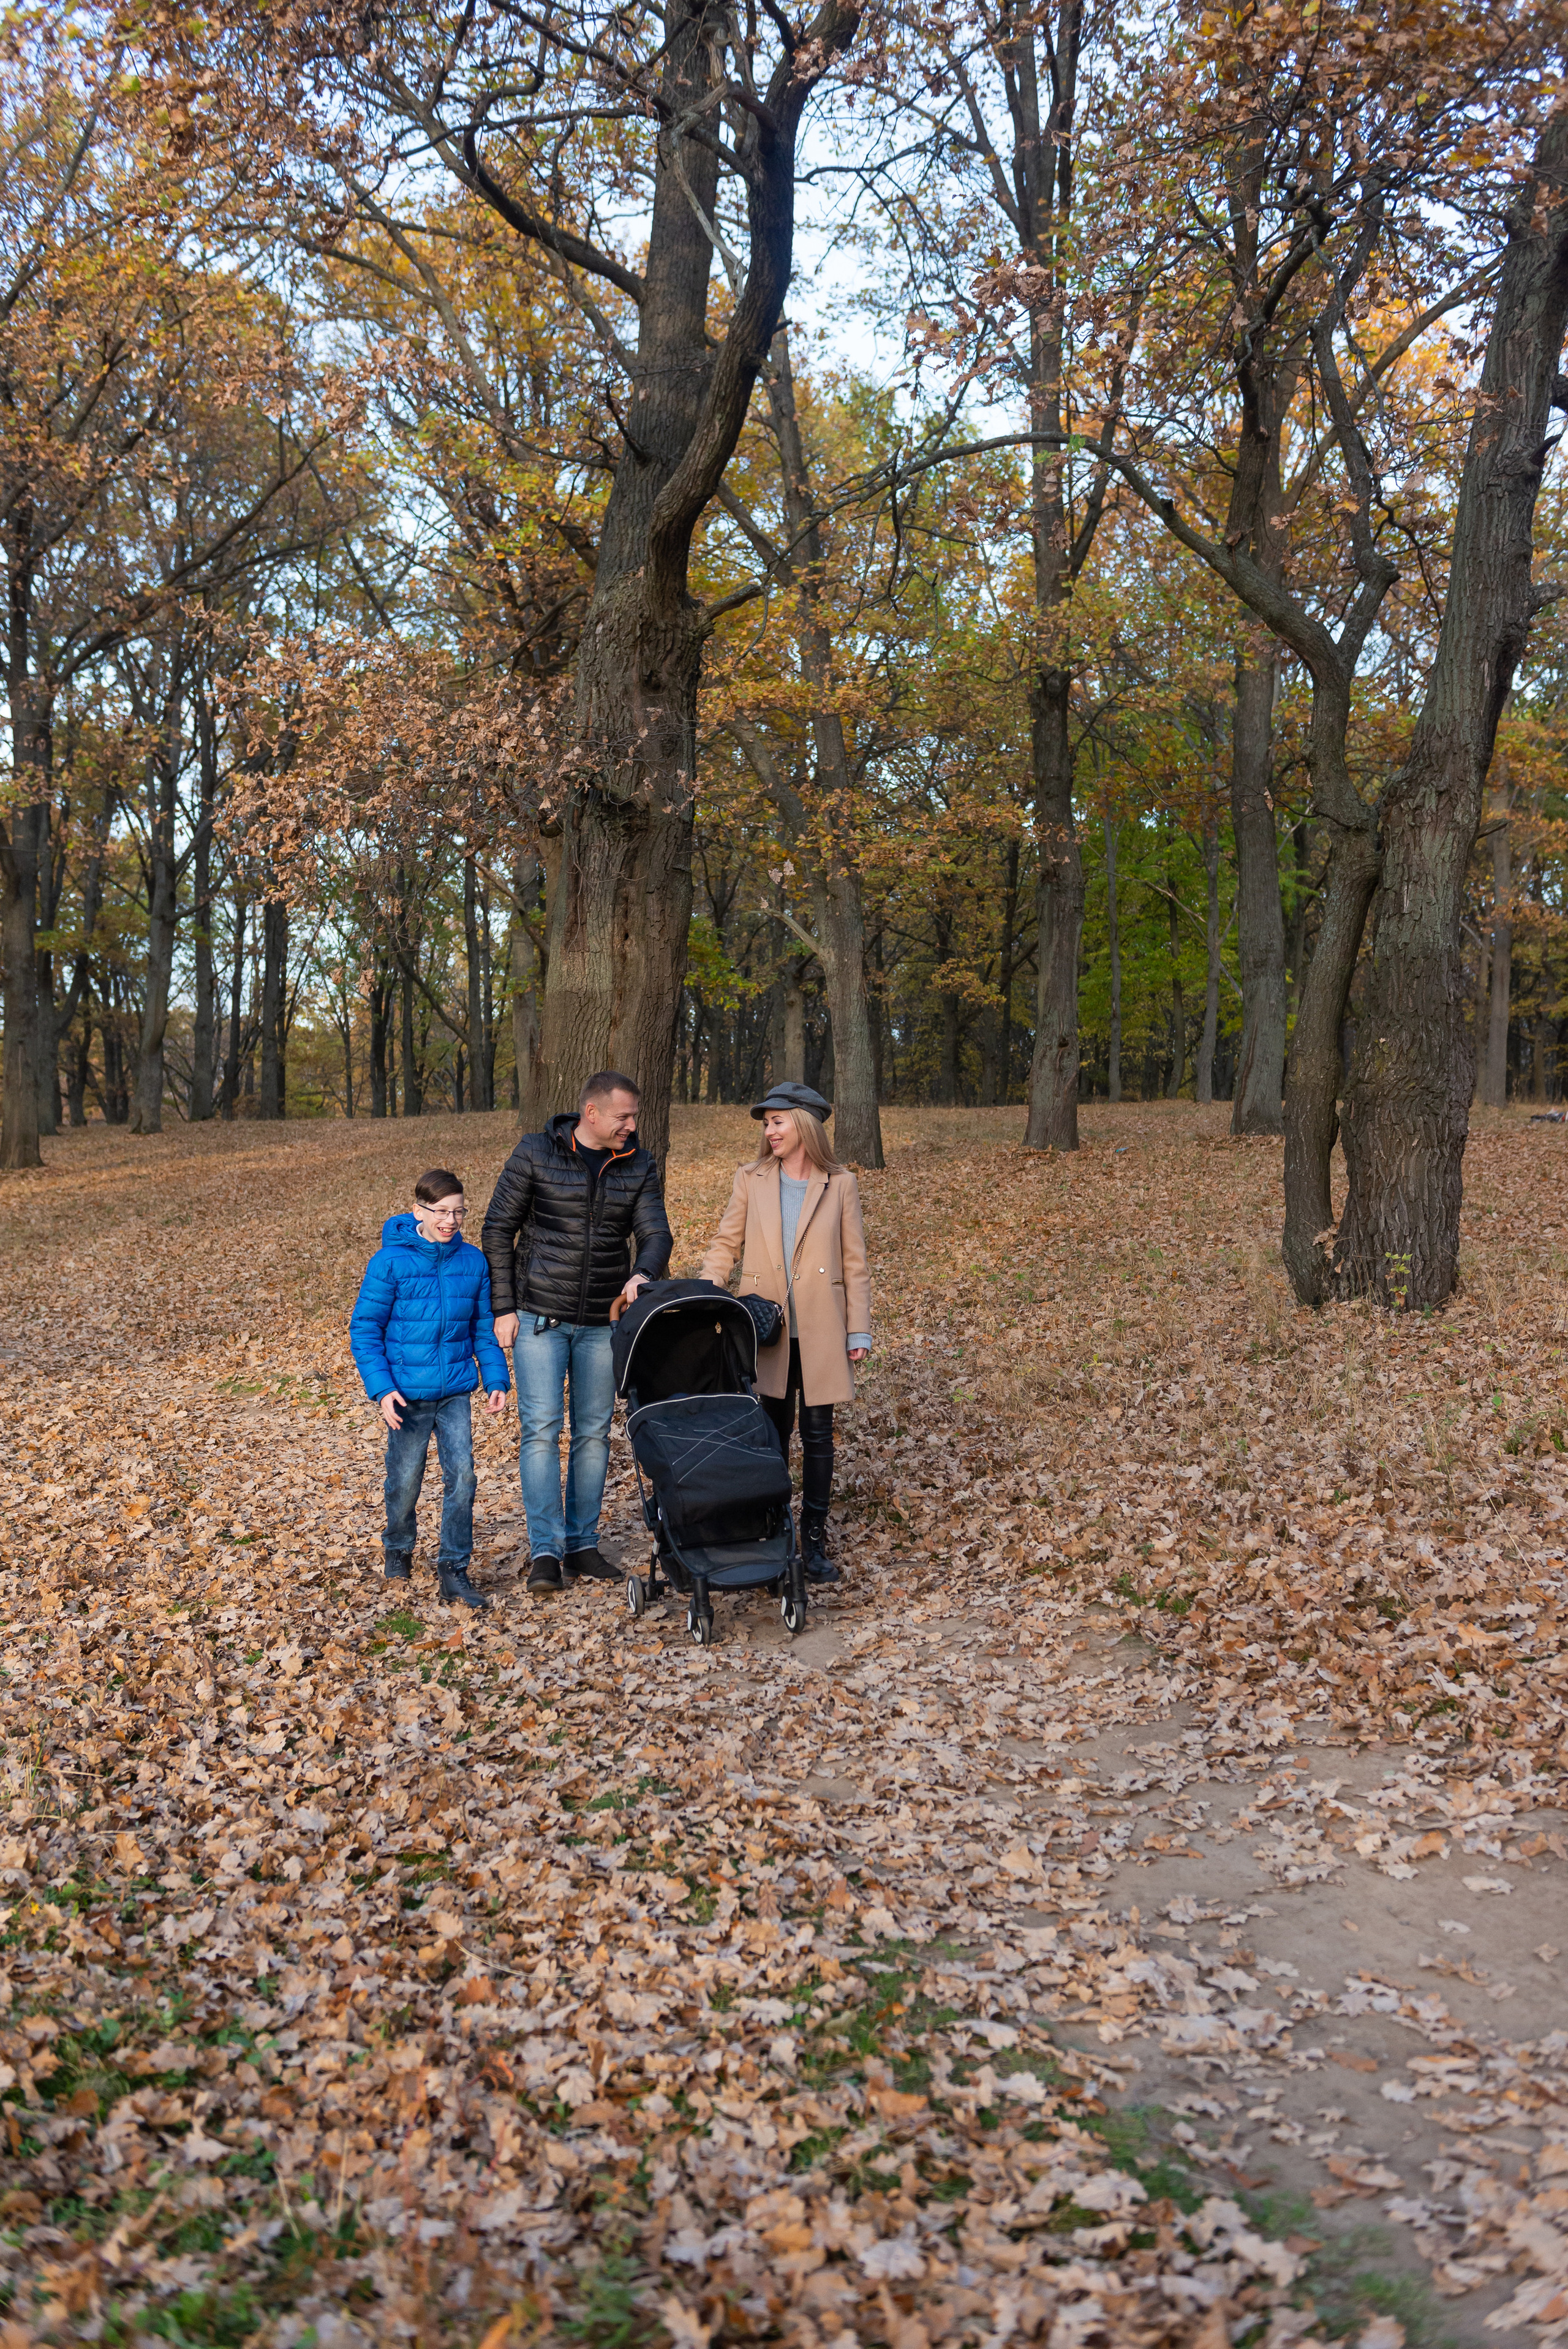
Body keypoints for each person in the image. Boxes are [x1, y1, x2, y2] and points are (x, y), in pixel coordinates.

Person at [482, 1070, 672, 1595]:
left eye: (634, 1117)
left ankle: (582, 1545)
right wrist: (504, 1306)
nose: (632, 1126)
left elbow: (655, 1230)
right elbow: (498, 1227)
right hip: (539, 1317)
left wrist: (645, 1273)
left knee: (592, 1434)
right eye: (624, 1116)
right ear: (591, 1112)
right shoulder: (536, 1152)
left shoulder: (638, 1163)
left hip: (601, 1324)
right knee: (541, 1431)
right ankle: (546, 1549)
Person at [700, 1081, 872, 1584]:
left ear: (804, 1124)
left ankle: (813, 1543)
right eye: (767, 1124)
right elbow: (726, 1242)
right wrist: (708, 1294)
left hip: (822, 1329)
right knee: (769, 1436)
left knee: (819, 1437)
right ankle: (773, 1537)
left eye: (777, 1121)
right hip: (764, 1329)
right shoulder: (751, 1179)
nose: (769, 1131)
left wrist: (858, 1329)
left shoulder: (840, 1183)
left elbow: (855, 1263)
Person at [350, 1169, 510, 1611]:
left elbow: (482, 1327)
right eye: (442, 1212)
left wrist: (496, 1378)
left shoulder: (473, 1261)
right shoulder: (391, 1262)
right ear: (419, 1210)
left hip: (455, 1390)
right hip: (406, 1395)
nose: (452, 1220)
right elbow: (365, 1329)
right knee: (405, 1480)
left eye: (459, 1211)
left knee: (463, 1477)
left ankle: (454, 1568)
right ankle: (398, 1544)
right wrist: (382, 1391)